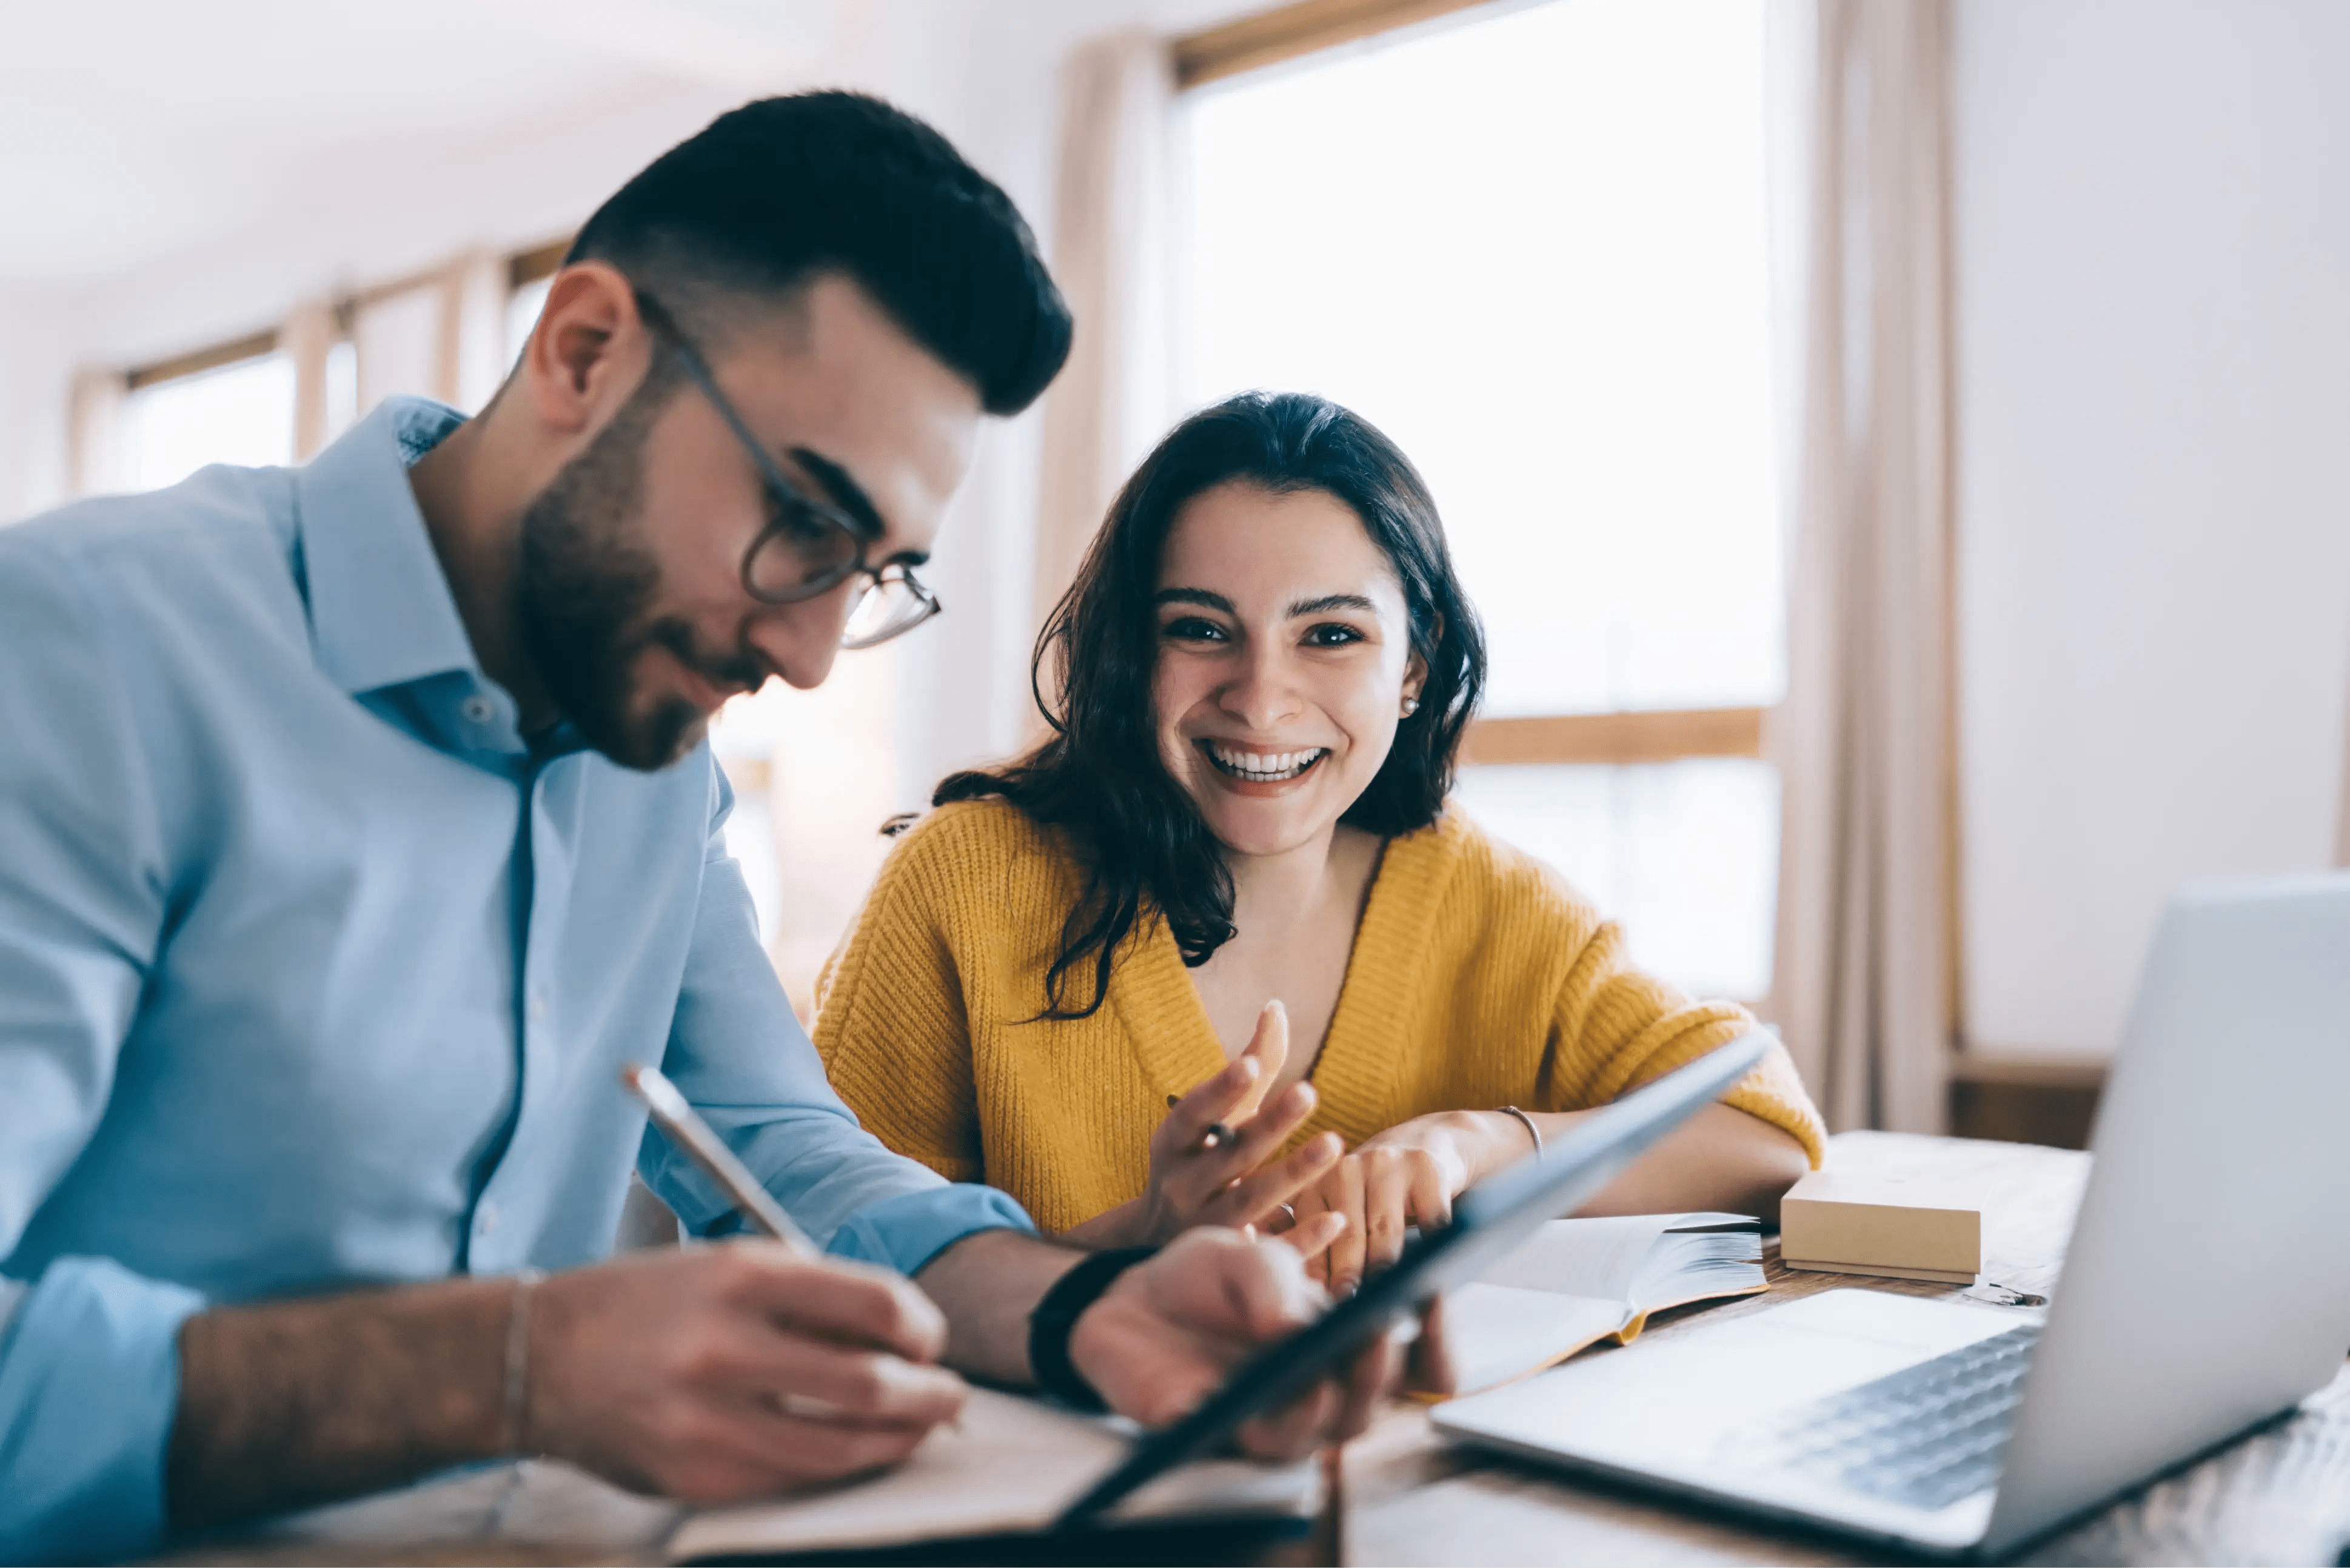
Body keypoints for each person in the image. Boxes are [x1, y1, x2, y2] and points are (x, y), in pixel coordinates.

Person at [0, 98, 1394, 1566]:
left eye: (870, 575)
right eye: (801, 519)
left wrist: (1080, 1312)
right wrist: (518, 1368)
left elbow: (783, 1152)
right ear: (584, 352)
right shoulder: (77, 655)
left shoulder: (649, 755)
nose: (803, 652)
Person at [815, 392, 1826, 1294]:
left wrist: (1477, 1141)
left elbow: (1768, 1129)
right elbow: (817, 1258)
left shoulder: (1492, 905)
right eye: (1200, 629)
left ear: (1415, 667)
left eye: (1331, 634)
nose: (1260, 699)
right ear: (1130, 650)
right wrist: (1134, 1245)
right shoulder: (962, 886)